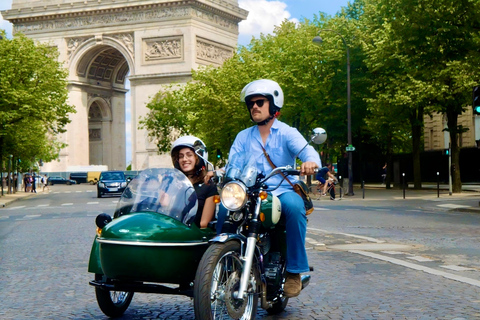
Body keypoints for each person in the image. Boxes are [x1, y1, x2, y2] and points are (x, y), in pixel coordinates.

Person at [214, 79, 321, 298]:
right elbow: (234, 163)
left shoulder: (287, 133)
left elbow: (308, 152)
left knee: (294, 206)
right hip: (249, 191)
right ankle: (222, 261)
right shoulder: (243, 136)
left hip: (281, 190)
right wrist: (218, 172)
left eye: (260, 102)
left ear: (273, 105)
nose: (254, 106)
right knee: (225, 208)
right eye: (251, 103)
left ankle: (294, 271)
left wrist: (310, 162)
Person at [171, 136, 218, 229]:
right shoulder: (175, 184)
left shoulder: (208, 185)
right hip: (172, 232)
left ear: (198, 158)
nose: (184, 159)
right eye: (181, 156)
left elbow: (204, 223)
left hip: (194, 237)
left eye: (189, 155)